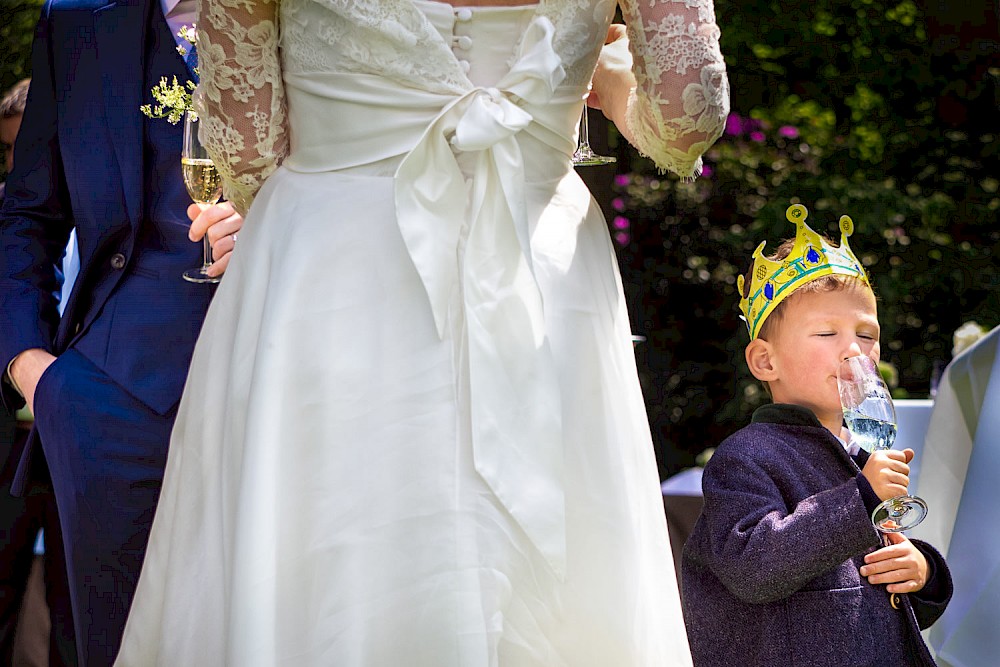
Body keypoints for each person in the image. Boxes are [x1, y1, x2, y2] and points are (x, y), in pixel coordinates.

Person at [116, 0, 729, 664]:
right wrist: (606, 78)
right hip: (541, 263)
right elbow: (684, 118)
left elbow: (246, 148)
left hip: (332, 269)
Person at [0, 1, 244, 664]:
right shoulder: (75, 18)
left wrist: (272, 224)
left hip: (272, 379)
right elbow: (27, 214)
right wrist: (36, 371)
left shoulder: (308, 17)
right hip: (105, 405)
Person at [681, 204, 953, 666]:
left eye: (867, 335)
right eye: (827, 332)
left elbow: (870, 597)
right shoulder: (747, 457)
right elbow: (753, 569)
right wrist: (860, 498)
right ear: (766, 361)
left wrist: (919, 572)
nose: (853, 349)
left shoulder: (858, 452)